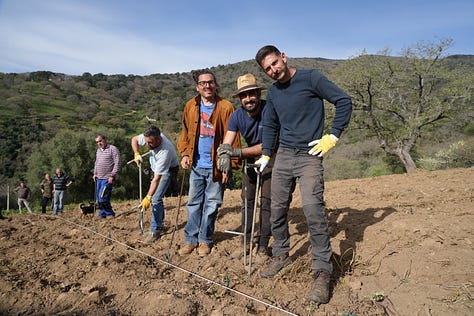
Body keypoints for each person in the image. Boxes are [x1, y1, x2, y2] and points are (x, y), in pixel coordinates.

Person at [254, 45, 352, 304]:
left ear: (283, 57)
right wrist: (266, 154)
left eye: (275, 63)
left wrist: (333, 135)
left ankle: (322, 270)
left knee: (312, 209)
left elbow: (343, 101)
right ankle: (281, 254)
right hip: (284, 154)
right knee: (276, 208)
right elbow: (271, 124)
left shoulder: (312, 78)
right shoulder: (274, 92)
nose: (273, 70)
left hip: (310, 154)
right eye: (268, 69)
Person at [177, 69, 240, 257]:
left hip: (216, 166)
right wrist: (185, 154)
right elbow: (186, 132)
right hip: (197, 164)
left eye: (210, 82)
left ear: (216, 84)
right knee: (194, 204)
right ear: (197, 87)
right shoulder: (190, 106)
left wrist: (228, 165)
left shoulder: (226, 107)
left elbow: (234, 137)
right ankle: (190, 240)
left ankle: (205, 239)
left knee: (212, 204)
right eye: (203, 83)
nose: (207, 86)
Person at [216, 73, 272, 263]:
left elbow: (267, 145)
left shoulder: (269, 110)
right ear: (240, 98)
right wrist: (223, 153)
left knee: (267, 202)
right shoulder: (237, 116)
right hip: (249, 159)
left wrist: (236, 153)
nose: (248, 99)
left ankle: (263, 246)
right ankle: (246, 243)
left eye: (251, 94)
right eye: (244, 96)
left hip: (270, 158)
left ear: (258, 93)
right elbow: (228, 142)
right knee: (247, 202)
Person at [132, 125, 179, 243]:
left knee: (155, 198)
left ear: (158, 139)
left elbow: (157, 179)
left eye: (150, 143)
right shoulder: (150, 138)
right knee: (155, 198)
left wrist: (148, 197)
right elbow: (134, 139)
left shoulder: (165, 151)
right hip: (156, 168)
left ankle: (155, 230)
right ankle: (160, 223)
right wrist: (136, 153)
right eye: (147, 142)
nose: (148, 145)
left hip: (168, 171)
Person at [93, 133, 121, 219]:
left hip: (108, 178)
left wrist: (112, 175)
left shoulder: (113, 149)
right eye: (97, 142)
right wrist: (95, 173)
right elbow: (97, 162)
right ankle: (102, 214)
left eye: (100, 141)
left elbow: (118, 162)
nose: (99, 143)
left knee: (102, 197)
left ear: (105, 140)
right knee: (99, 197)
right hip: (99, 178)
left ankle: (110, 213)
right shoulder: (98, 151)